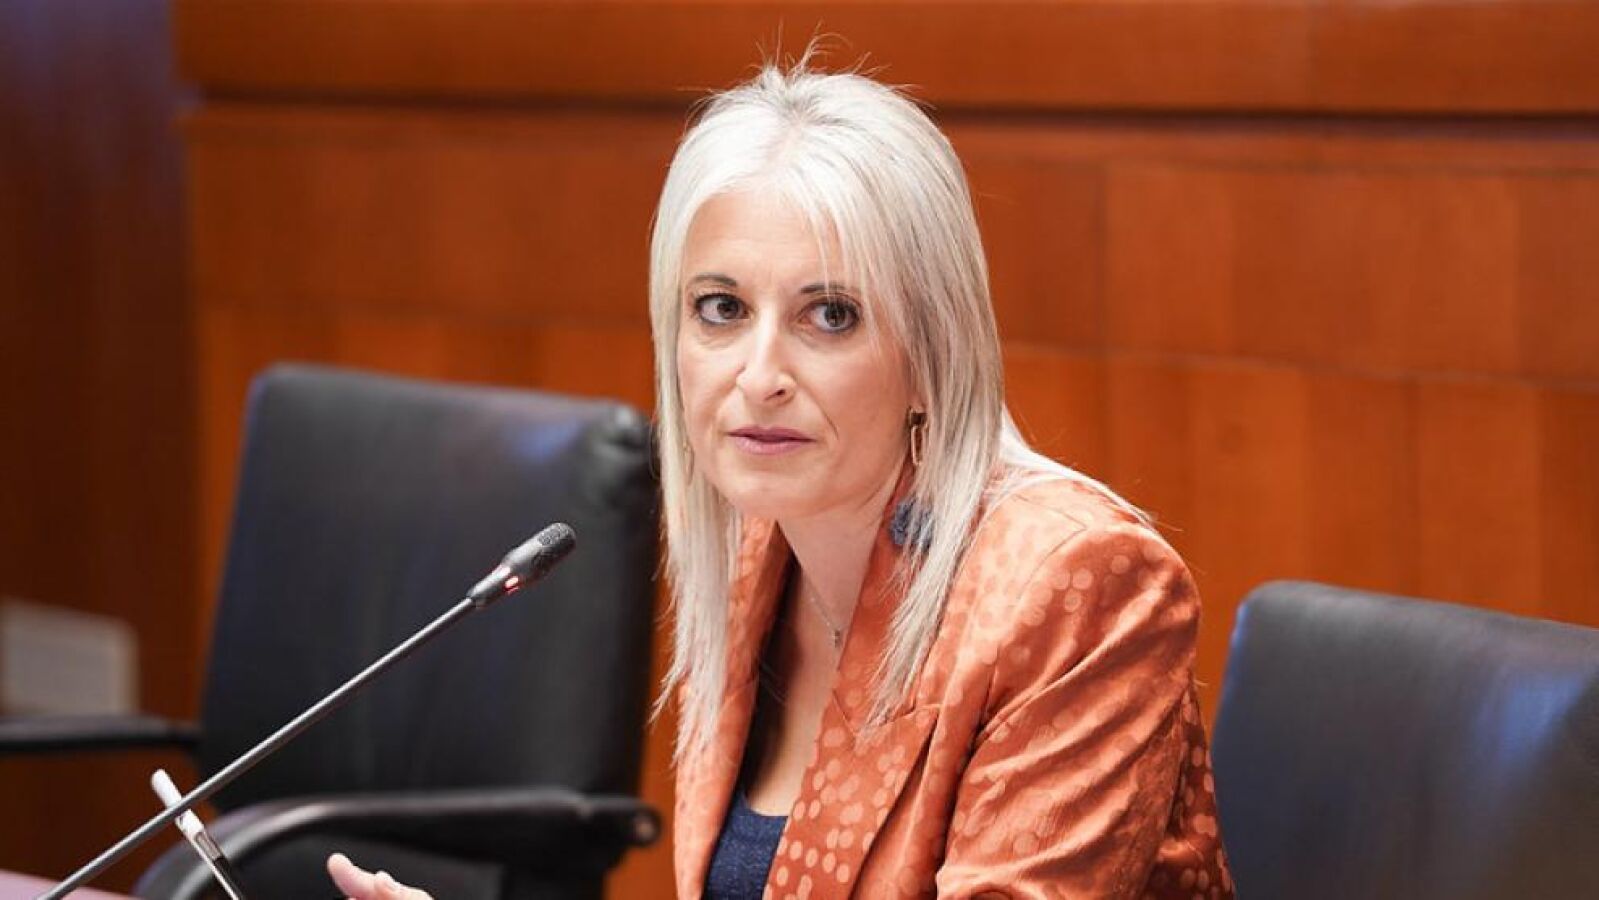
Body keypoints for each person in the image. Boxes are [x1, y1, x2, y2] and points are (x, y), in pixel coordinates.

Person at [331, 52, 1231, 900]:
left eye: (829, 314)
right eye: (720, 308)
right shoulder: (758, 548)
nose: (759, 374)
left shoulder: (1079, 590)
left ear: (933, 351)